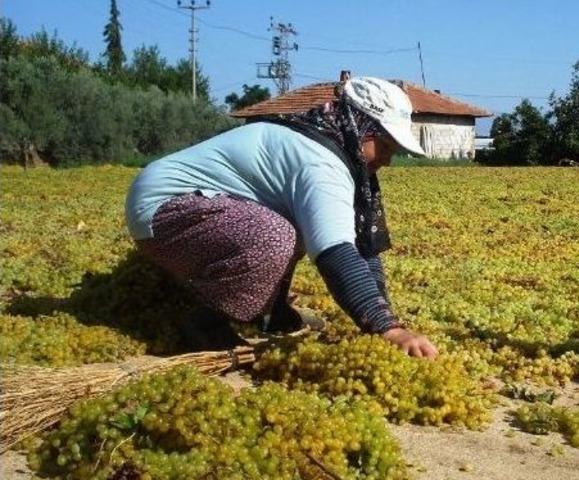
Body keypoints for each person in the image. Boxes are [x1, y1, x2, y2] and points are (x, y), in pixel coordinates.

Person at [125, 76, 438, 359]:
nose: (388, 159)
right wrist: (388, 330)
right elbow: (336, 252)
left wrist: (385, 319)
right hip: (163, 209)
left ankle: (270, 312)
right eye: (384, 146)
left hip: (196, 207)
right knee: (274, 235)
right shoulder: (320, 163)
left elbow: (360, 247)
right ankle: (205, 321)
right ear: (359, 128)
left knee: (296, 224)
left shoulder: (334, 148)